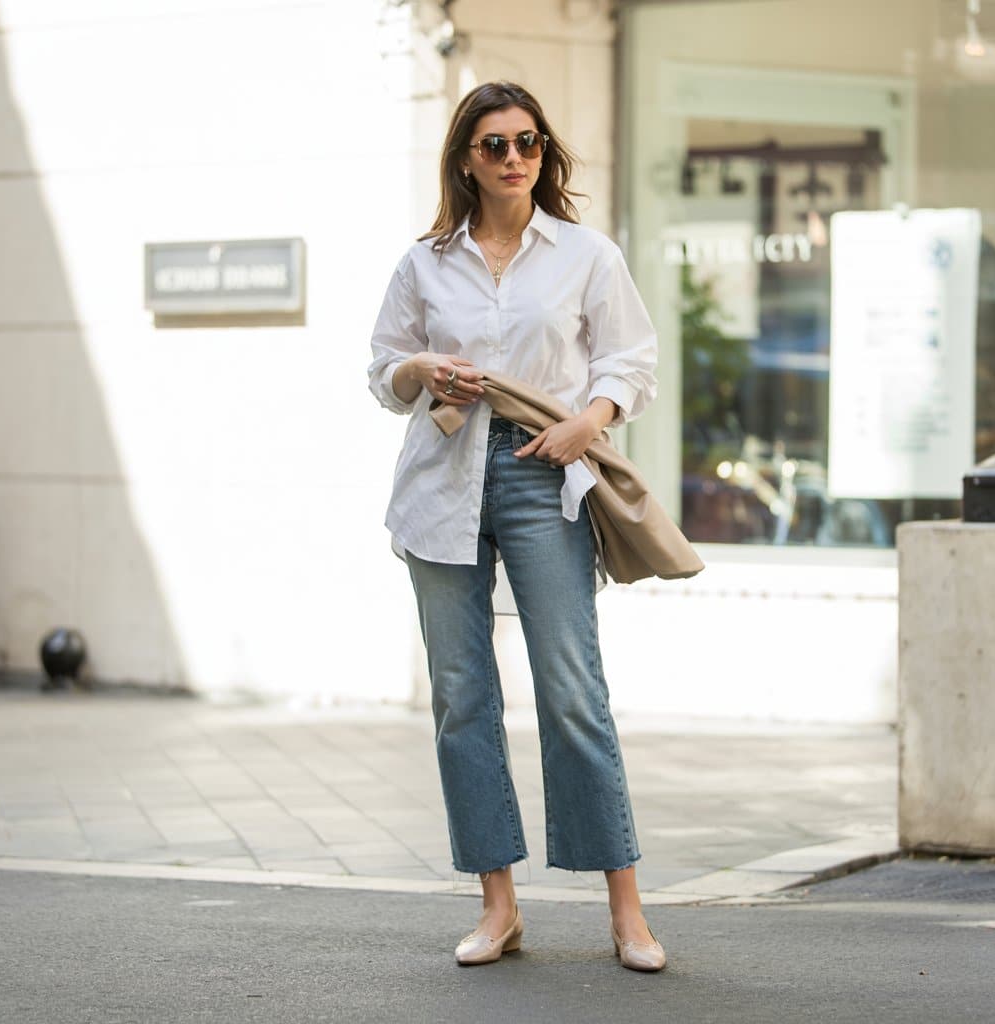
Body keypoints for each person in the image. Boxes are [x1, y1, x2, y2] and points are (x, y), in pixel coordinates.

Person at [367, 81, 665, 972]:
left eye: (528, 142)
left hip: (546, 473)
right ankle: (498, 905)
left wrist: (591, 420)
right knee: (463, 698)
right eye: (494, 145)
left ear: (544, 153)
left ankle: (628, 911)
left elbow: (631, 358)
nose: (513, 158)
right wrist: (420, 367)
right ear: (466, 159)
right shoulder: (425, 262)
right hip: (441, 482)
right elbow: (383, 374)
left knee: (574, 689)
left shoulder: (584, 254)